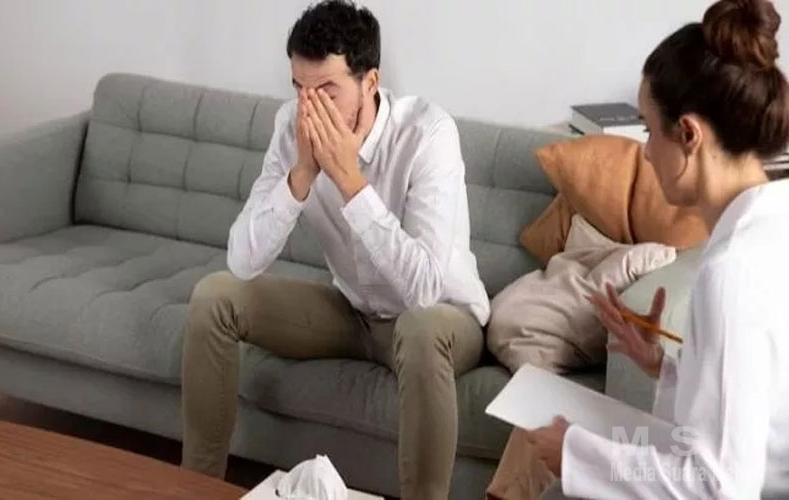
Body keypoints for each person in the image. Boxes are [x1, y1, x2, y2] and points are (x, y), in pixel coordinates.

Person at [180, 1, 490, 499]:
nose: (310, 107)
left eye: (326, 90)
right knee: (215, 296)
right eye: (299, 89)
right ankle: (193, 488)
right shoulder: (291, 126)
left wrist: (349, 181)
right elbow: (242, 260)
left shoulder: (428, 133)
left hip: (442, 318)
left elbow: (425, 289)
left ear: (370, 82)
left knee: (419, 326)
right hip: (352, 313)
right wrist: (302, 174)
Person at [529, 0, 789, 498]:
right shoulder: (771, 222)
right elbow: (756, 408)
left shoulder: (733, 270)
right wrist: (666, 367)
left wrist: (577, 455)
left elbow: (719, 487)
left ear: (688, 134)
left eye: (649, 130)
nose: (646, 152)